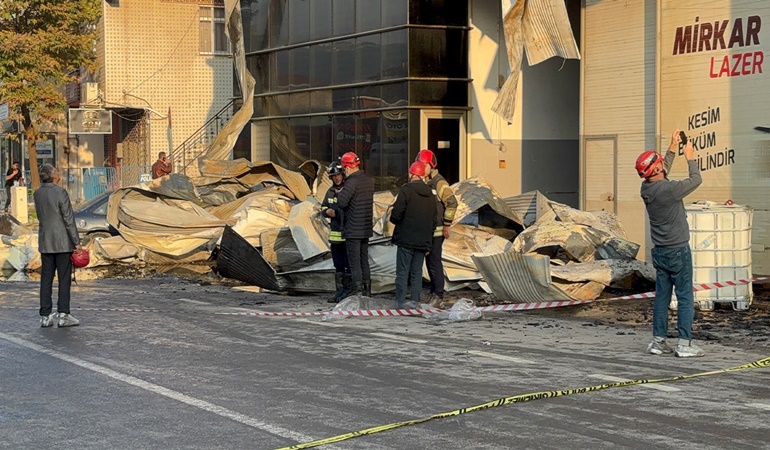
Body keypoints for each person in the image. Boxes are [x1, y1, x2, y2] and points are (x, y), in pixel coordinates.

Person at [636, 129, 703, 358]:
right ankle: (684, 345)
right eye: (660, 162)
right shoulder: (669, 190)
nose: (663, 163)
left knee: (662, 298)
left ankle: (658, 341)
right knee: (685, 297)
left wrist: (673, 147)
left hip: (661, 253)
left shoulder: (647, 189)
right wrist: (690, 156)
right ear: (656, 168)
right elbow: (696, 179)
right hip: (678, 251)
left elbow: (661, 172)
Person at [34, 164, 83, 328]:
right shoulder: (61, 192)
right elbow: (68, 219)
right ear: (53, 176)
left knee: (46, 280)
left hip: (45, 242)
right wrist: (76, 242)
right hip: (62, 242)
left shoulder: (37, 193)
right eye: (57, 171)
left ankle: (45, 316)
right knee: (64, 279)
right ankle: (63, 314)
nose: (59, 173)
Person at [390, 162, 436, 309]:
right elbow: (433, 220)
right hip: (422, 240)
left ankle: (400, 301)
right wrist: (428, 242)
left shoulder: (406, 191)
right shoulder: (431, 194)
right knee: (417, 272)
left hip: (406, 239)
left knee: (403, 271)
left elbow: (396, 215)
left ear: (411, 174)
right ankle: (416, 301)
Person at [415, 149, 458, 307]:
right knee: (429, 262)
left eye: (423, 165)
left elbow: (452, 203)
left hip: (437, 231)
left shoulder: (439, 182)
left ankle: (438, 295)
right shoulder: (425, 182)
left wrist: (447, 224)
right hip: (428, 230)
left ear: (431, 165)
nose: (421, 167)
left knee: (434, 262)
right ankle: (433, 292)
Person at [336, 152, 374, 296]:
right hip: (365, 228)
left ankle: (357, 291)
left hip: (353, 228)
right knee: (364, 260)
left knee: (354, 262)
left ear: (347, 167)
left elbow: (342, 202)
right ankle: (367, 290)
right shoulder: (368, 180)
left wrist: (340, 193)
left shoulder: (352, 182)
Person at [321, 161, 351, 303]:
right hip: (335, 237)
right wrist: (327, 211)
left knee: (349, 265)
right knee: (338, 265)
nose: (337, 178)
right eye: (334, 176)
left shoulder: (349, 189)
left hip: (348, 236)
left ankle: (348, 292)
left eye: (338, 175)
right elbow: (322, 207)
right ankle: (339, 292)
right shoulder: (330, 192)